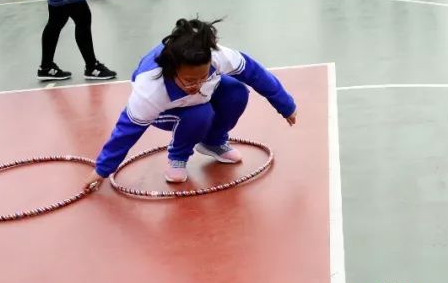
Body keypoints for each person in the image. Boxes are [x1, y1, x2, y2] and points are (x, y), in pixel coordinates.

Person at [90, 18, 297, 186]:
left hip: (203, 99)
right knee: (200, 113)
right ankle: (178, 156)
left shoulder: (218, 55)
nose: (197, 84)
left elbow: (255, 74)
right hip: (167, 111)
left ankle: (213, 142)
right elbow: (126, 131)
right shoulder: (150, 89)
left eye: (203, 76)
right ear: (173, 71)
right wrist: (102, 170)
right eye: (190, 80)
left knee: (235, 91)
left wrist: (285, 105)